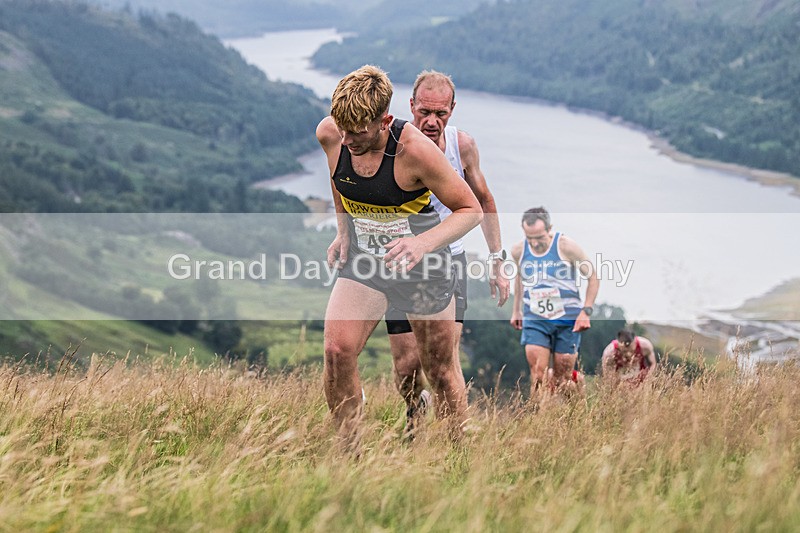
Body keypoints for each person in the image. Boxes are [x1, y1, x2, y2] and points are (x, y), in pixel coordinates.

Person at [316, 65, 483, 443]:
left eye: (358, 132)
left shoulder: (415, 152)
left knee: (438, 370)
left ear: (385, 120)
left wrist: (422, 244)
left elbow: (470, 209)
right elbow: (338, 181)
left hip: (424, 266)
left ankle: (459, 458)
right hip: (368, 260)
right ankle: (351, 454)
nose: (348, 139)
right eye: (343, 129)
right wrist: (344, 230)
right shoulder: (332, 134)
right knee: (336, 351)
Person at [386, 70, 510, 432]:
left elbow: (484, 201)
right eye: (424, 111)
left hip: (447, 263)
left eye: (440, 114)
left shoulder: (463, 146)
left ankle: (454, 442)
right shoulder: (395, 145)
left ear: (452, 110)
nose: (431, 121)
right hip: (403, 263)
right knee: (407, 366)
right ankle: (415, 412)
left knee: (442, 362)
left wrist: (496, 261)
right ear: (410, 106)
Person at [510, 207, 599, 404]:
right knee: (538, 376)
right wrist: (516, 310)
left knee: (562, 379)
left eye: (539, 237)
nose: (534, 242)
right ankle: (538, 423)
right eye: (529, 237)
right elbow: (519, 278)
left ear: (550, 228)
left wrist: (586, 311)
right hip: (535, 319)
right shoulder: (518, 251)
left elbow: (593, 276)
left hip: (568, 320)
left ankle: (570, 415)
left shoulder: (566, 246)